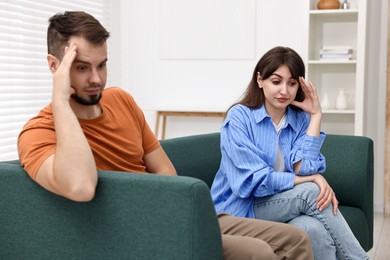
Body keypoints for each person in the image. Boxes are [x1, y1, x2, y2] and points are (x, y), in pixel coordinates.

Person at [17, 11, 313, 260]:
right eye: (81, 68)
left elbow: (166, 171)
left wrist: (177, 216)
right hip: (127, 234)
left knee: (297, 240)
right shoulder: (38, 133)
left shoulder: (120, 99)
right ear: (55, 66)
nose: (96, 79)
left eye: (102, 65)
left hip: (170, 214)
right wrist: (60, 101)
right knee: (258, 252)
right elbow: (81, 187)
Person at [210, 46, 369, 260]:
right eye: (276, 82)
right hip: (239, 208)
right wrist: (311, 179)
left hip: (279, 203)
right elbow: (251, 182)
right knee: (311, 191)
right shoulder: (239, 117)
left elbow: (304, 168)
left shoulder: (298, 119)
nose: (284, 90)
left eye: (292, 83)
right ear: (260, 80)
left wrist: (315, 115)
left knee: (313, 229)